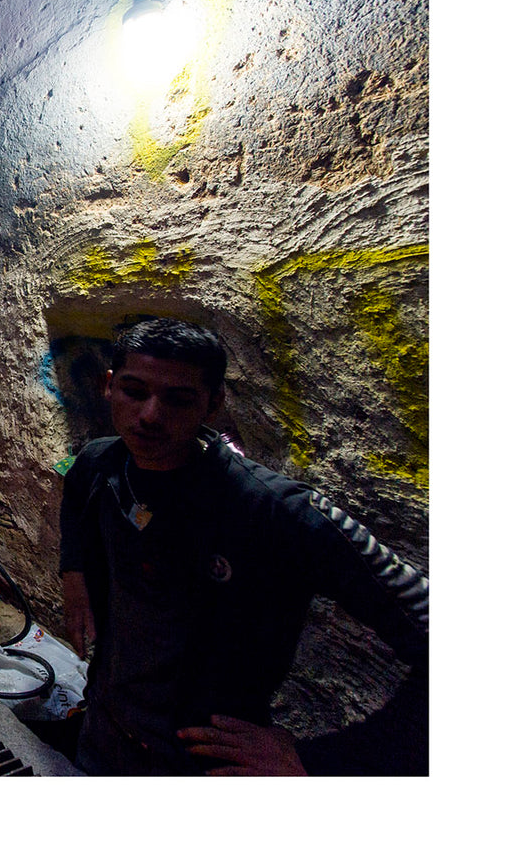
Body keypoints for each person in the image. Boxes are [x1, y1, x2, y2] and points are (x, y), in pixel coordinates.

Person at [57, 317, 428, 775]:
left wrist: (320, 762)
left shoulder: (278, 511)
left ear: (213, 404)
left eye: (179, 398)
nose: (150, 415)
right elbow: (76, 495)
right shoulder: (102, 463)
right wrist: (74, 574)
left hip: (201, 765)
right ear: (109, 386)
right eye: (135, 391)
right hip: (102, 737)